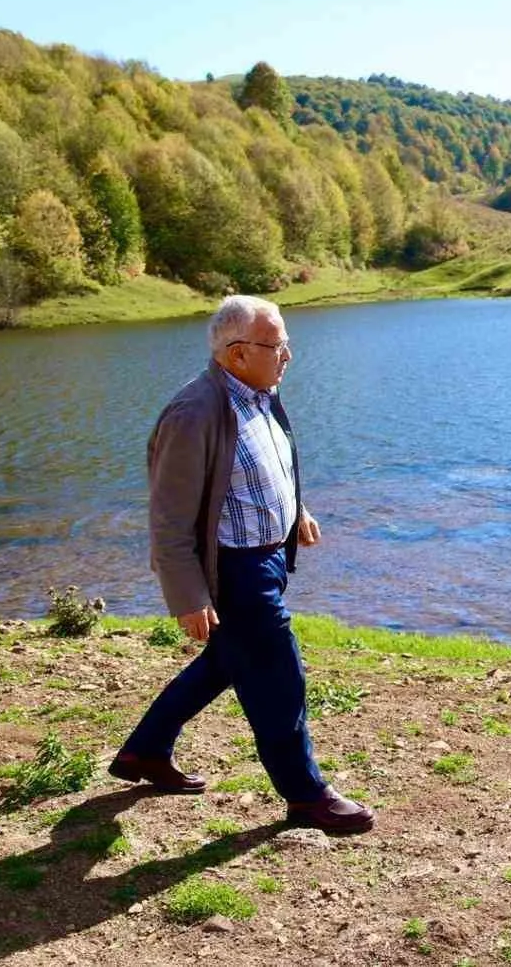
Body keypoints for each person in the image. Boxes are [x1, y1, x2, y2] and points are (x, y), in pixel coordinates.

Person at [109, 296, 373, 835]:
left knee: (226, 663)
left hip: (269, 558)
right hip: (234, 571)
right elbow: (169, 514)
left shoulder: (261, 393)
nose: (288, 357)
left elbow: (267, 466)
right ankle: (305, 795)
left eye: (286, 344)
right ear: (235, 353)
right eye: (277, 346)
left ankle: (144, 751)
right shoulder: (194, 413)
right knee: (279, 675)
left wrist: (294, 510)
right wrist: (188, 595)